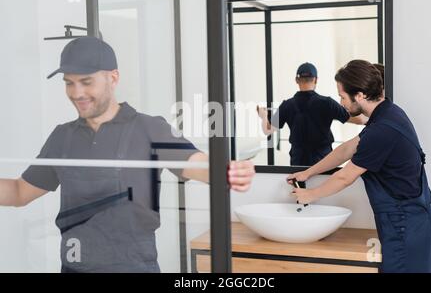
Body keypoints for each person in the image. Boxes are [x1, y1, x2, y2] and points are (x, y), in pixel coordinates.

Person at [0, 37, 255, 273]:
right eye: (69, 83)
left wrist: (227, 171)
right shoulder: (62, 137)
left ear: (113, 78)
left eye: (86, 82)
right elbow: (20, 192)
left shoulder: (149, 129)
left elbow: (195, 163)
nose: (76, 92)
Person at [287, 60, 431, 273]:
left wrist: (311, 195)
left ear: (360, 95)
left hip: (404, 225)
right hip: (412, 222)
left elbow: (345, 177)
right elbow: (347, 149)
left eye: (342, 96)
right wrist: (308, 172)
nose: (341, 102)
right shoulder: (388, 113)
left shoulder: (381, 131)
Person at [257, 62, 367, 166]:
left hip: (298, 163)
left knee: (300, 187)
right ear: (315, 80)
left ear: (297, 80)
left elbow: (268, 130)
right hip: (324, 162)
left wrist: (263, 116)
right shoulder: (327, 103)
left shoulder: (287, 105)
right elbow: (361, 120)